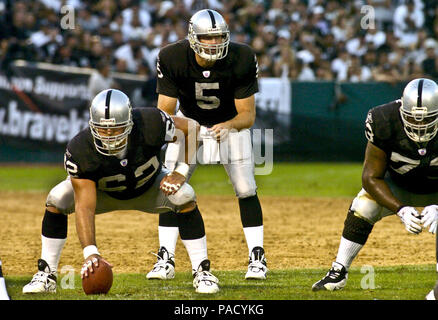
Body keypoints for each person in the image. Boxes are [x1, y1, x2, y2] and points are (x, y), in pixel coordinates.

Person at [22, 89, 219, 294]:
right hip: (104, 195)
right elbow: (85, 206)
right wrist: (90, 252)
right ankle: (47, 274)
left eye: (116, 129)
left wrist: (181, 170)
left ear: (130, 122)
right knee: (58, 198)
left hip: (149, 188)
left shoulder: (151, 123)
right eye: (102, 129)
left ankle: (202, 271)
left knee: (185, 195)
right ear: (92, 125)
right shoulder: (81, 148)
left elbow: (193, 128)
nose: (109, 136)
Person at [147, 9, 267, 281]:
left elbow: (247, 115)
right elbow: (165, 113)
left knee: (246, 188)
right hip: (187, 124)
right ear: (193, 37)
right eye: (207, 37)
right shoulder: (172, 57)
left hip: (229, 124)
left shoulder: (242, 56)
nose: (213, 43)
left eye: (218, 37)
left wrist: (229, 125)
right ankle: (165, 258)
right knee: (170, 188)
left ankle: (257, 257)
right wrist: (188, 131)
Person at [312, 78, 438, 292]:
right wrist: (401, 209)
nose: (419, 126)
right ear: (401, 111)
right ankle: (338, 271)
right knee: (364, 205)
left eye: (427, 119)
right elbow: (370, 177)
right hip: (400, 185)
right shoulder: (383, 119)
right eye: (412, 119)